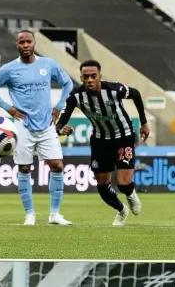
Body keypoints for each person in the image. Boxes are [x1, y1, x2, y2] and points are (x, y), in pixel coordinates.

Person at [0, 29, 73, 226]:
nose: (25, 45)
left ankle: (54, 214)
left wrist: (59, 107)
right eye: (22, 42)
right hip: (22, 126)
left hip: (47, 125)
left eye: (29, 42)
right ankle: (30, 214)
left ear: (34, 43)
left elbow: (67, 84)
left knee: (57, 166)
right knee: (24, 168)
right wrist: (9, 108)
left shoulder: (48, 64)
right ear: (17, 45)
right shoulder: (9, 69)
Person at [55, 60, 150, 227]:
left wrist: (143, 122)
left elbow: (135, 94)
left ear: (100, 76)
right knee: (102, 185)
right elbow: (61, 120)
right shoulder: (76, 96)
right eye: (86, 77)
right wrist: (60, 129)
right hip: (100, 140)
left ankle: (131, 195)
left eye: (93, 76)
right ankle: (121, 210)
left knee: (123, 183)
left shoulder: (114, 90)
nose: (90, 80)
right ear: (81, 78)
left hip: (124, 136)